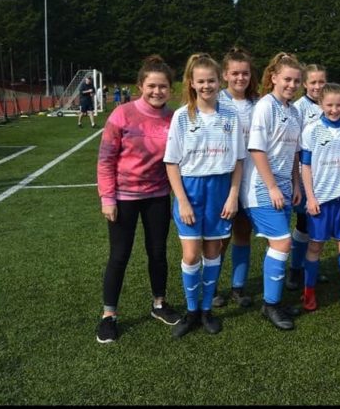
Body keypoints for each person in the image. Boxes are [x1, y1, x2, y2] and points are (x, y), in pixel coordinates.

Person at [95, 55, 180, 343]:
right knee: (119, 256)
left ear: (170, 89)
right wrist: (108, 198)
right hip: (124, 197)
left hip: (157, 196)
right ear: (140, 85)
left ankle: (159, 303)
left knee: (157, 252)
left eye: (163, 87)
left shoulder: (174, 117)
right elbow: (106, 159)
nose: (157, 92)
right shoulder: (122, 114)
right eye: (152, 86)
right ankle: (109, 315)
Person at [164, 53, 245, 337]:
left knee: (213, 253)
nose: (207, 86)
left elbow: (238, 160)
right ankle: (191, 310)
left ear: (219, 80)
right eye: (201, 81)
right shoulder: (182, 117)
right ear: (192, 83)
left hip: (220, 190)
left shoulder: (230, 115)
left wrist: (233, 195)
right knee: (190, 255)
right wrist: (183, 200)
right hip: (191, 190)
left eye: (211, 80)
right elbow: (171, 162)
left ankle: (207, 309)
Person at [241, 52, 304, 331]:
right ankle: (270, 305)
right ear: (274, 78)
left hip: (286, 186)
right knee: (282, 242)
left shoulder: (294, 110)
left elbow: (292, 153)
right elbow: (257, 149)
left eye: (296, 80)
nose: (292, 84)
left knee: (278, 244)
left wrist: (296, 184)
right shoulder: (266, 106)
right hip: (262, 187)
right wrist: (272, 187)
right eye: (287, 79)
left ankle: (274, 300)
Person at [300, 83, 340, 311]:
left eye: (339, 104)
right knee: (315, 246)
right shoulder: (312, 130)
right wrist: (311, 198)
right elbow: (305, 166)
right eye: (329, 105)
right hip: (321, 200)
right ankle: (309, 291)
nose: (334, 109)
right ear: (320, 104)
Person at [211, 47, 258, 309]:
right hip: (223, 180)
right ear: (225, 75)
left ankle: (238, 287)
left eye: (246, 73)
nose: (241, 78)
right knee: (220, 238)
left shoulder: (258, 103)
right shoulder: (216, 101)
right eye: (235, 73)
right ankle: (213, 285)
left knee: (243, 234)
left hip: (250, 179)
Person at [288, 64, 328, 291]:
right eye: (312, 82)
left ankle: (311, 266)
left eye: (321, 82)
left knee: (317, 224)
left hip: (326, 176)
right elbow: (295, 146)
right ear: (304, 84)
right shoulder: (299, 108)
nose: (317, 86)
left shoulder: (328, 104)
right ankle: (295, 269)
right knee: (303, 224)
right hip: (306, 174)